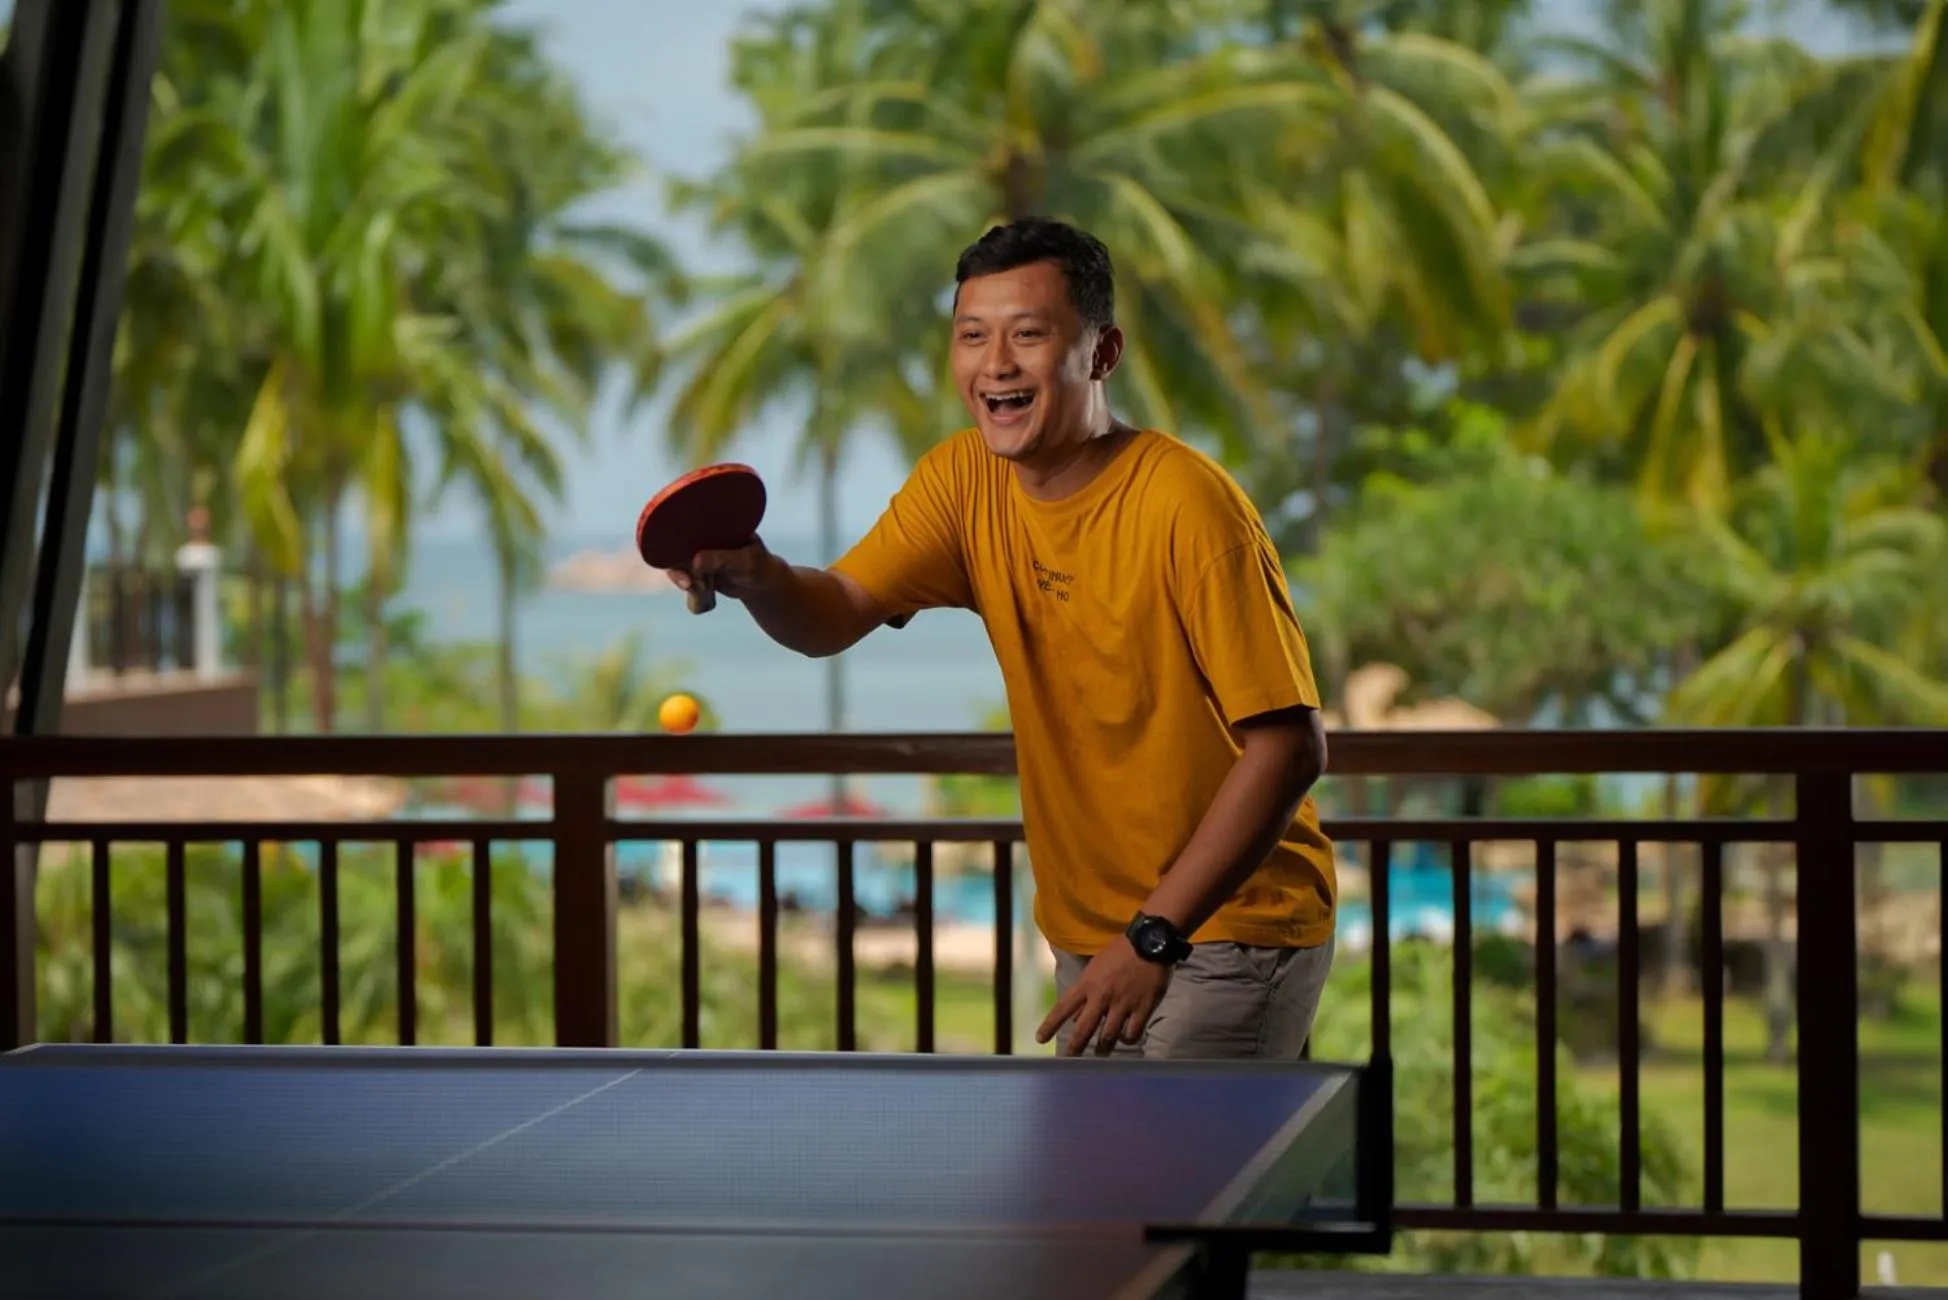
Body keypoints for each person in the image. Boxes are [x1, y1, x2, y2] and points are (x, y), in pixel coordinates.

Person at [664, 217, 1336, 1060]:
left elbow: (1290, 747)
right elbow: (832, 612)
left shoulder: (1188, 507)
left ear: (1102, 352)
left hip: (1227, 928)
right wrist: (760, 576)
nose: (996, 363)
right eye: (972, 336)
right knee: (1109, 1192)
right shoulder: (962, 481)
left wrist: (1152, 938)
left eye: (1029, 334)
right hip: (1096, 937)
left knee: (1167, 1193)